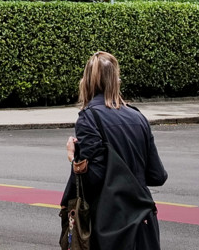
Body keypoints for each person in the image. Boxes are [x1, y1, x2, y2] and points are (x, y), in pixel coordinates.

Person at [62, 51, 167, 250]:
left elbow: (93, 177)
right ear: (115, 80)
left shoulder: (89, 118)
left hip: (110, 223)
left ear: (87, 82)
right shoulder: (138, 117)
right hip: (144, 221)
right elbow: (157, 175)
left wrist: (72, 157)